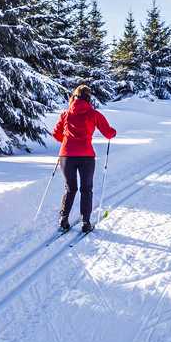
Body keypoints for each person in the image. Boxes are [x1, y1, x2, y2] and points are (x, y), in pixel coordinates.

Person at [52, 85, 117, 233]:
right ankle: (86, 222)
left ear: (74, 97)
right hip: (86, 155)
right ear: (88, 98)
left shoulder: (66, 114)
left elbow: (56, 133)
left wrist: (68, 141)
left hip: (66, 155)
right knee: (86, 189)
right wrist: (113, 133)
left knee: (70, 188)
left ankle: (63, 218)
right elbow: (108, 133)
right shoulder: (93, 114)